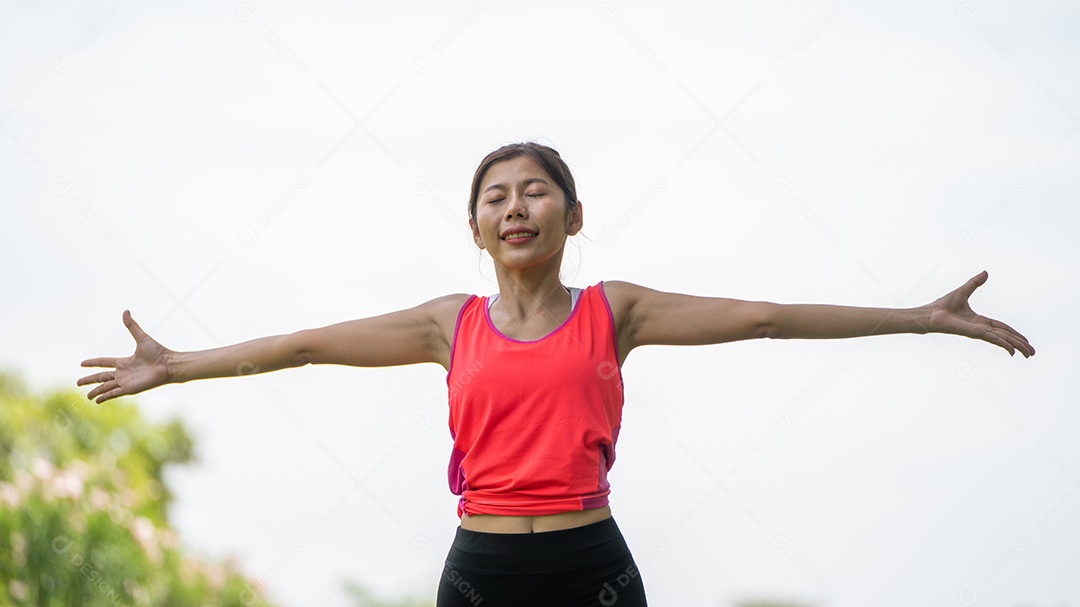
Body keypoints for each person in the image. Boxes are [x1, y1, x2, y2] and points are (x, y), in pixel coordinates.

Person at [78, 141, 1035, 606]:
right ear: (476, 228)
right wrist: (177, 367)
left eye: (535, 189)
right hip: (483, 570)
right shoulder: (447, 326)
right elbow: (298, 345)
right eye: (495, 197)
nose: (515, 206)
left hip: (591, 568)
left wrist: (921, 319)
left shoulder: (612, 311)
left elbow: (770, 319)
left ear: (574, 215)